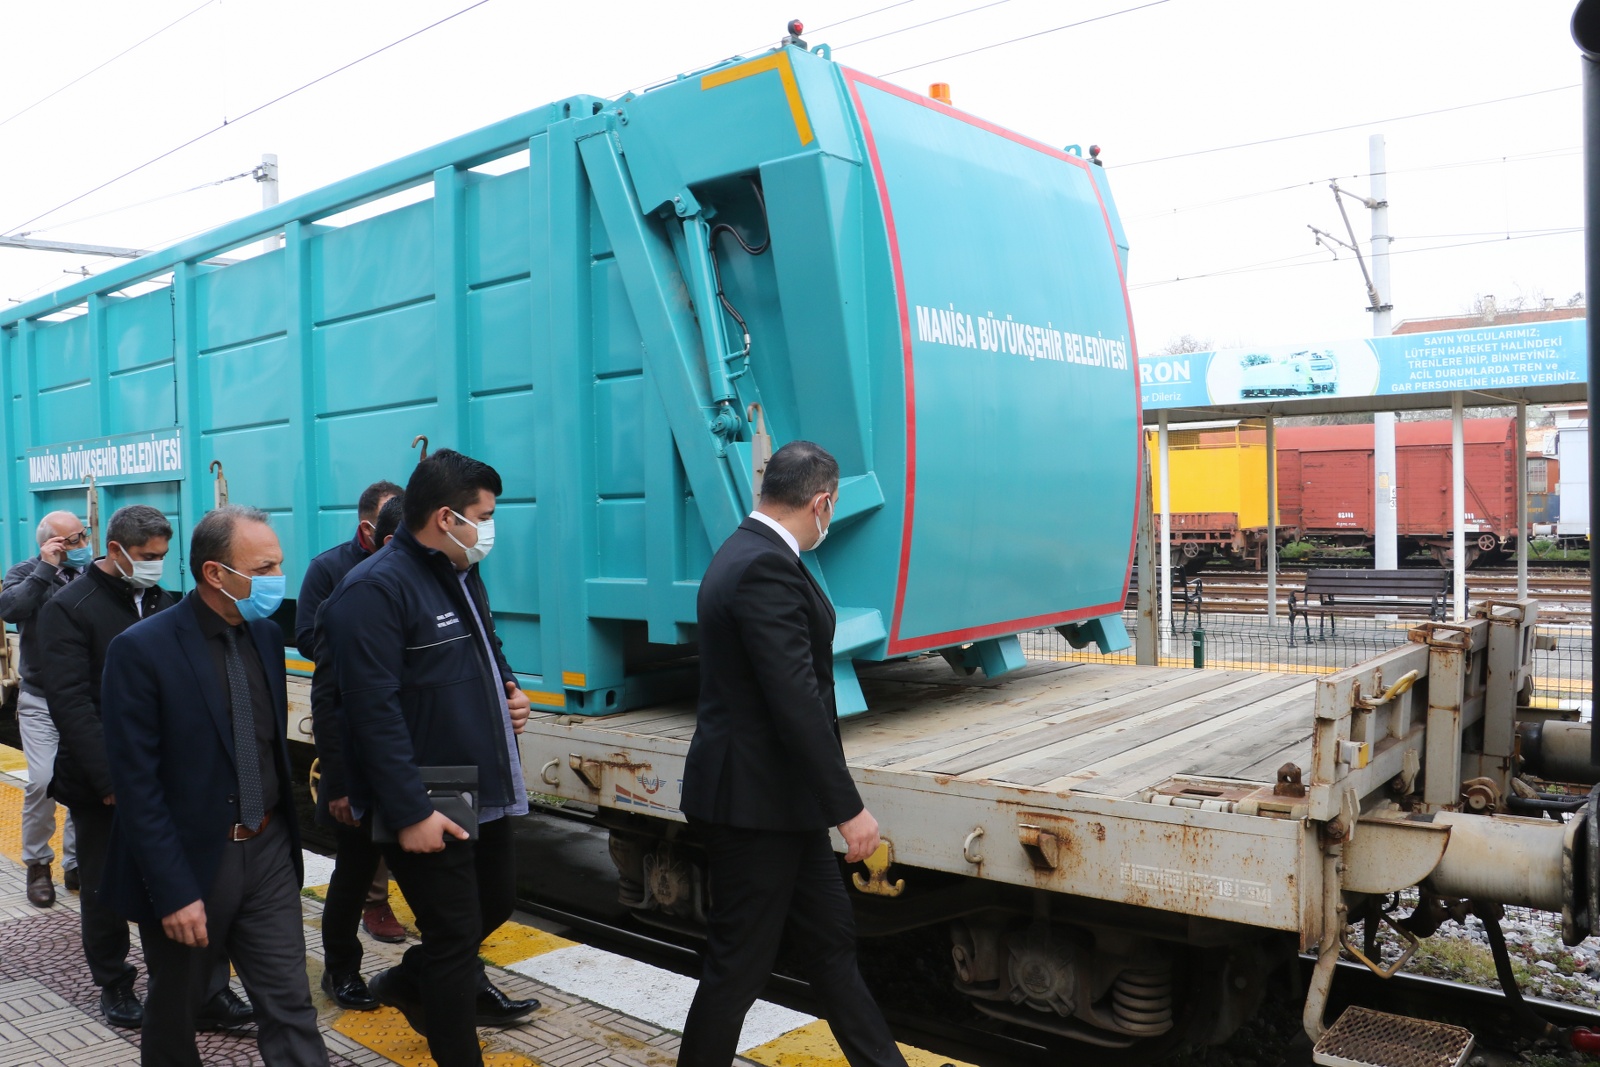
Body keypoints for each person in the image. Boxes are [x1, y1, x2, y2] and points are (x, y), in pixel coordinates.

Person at [677, 441, 907, 1067]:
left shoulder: (751, 553)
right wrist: (849, 808)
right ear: (822, 502)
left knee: (831, 948)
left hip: (780, 805)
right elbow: (795, 701)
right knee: (737, 970)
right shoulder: (763, 567)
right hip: (753, 808)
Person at [322, 449, 537, 1067]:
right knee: (451, 935)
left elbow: (486, 648)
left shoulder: (459, 571)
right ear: (447, 517)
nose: (489, 528)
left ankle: (407, 981)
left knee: (492, 905)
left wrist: (511, 690)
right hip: (429, 784)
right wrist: (410, 809)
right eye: (483, 515)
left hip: (483, 774)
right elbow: (370, 711)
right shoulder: (374, 591)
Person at [99, 505, 327, 1067]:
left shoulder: (267, 636)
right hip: (191, 861)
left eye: (280, 563)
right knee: (175, 1012)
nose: (278, 578)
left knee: (290, 1003)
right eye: (265, 566)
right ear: (215, 574)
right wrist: (174, 890)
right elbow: (137, 787)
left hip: (268, 848)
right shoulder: (141, 650)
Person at [295, 481, 404, 1012]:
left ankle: (449, 972)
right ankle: (341, 969)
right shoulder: (332, 574)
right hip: (361, 751)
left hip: (418, 757)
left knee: (450, 880)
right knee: (355, 870)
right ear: (371, 529)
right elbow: (321, 670)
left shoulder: (441, 577)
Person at [0, 510, 89, 907]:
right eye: (71, 541)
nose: (80, 546)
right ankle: (38, 863)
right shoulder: (25, 573)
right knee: (42, 780)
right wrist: (45, 569)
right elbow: (11, 609)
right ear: (50, 543)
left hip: (84, 697)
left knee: (85, 781)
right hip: (40, 698)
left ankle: (77, 862)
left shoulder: (93, 575)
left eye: (82, 537)